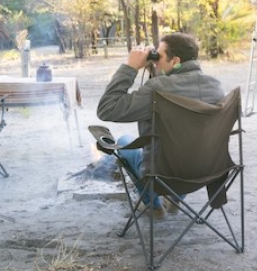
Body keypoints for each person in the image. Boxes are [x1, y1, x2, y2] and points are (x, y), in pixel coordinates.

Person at [96, 32, 225, 218]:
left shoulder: (157, 89)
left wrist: (130, 67)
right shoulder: (216, 87)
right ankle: (174, 198)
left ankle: (153, 206)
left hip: (162, 174)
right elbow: (173, 87)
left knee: (125, 140)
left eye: (159, 57)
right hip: (206, 170)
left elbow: (107, 109)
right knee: (187, 149)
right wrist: (155, 72)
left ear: (175, 61)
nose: (155, 61)